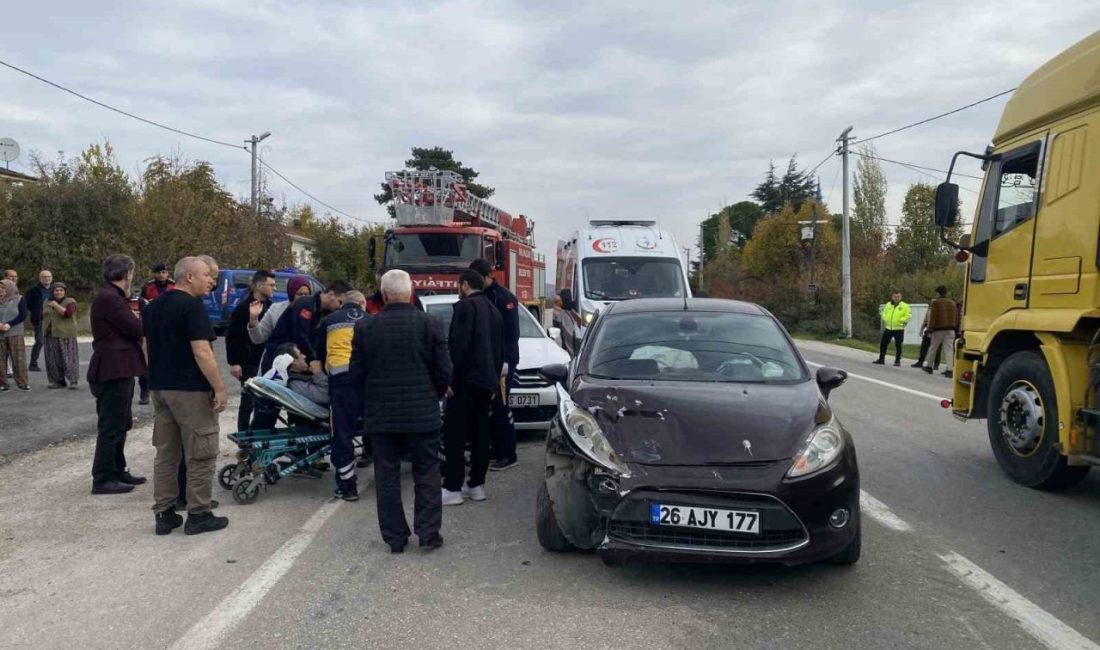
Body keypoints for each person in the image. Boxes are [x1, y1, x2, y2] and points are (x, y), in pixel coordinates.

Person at [349, 269, 451, 552]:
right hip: (423, 415)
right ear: (411, 293)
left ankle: (395, 538)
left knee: (387, 476)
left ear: (382, 295)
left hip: (381, 417)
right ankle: (428, 534)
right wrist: (435, 395)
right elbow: (444, 370)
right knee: (427, 473)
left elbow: (355, 374)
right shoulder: (430, 325)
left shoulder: (366, 327)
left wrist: (370, 402)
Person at [144, 256, 228, 536]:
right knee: (201, 453)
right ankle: (199, 514)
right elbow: (202, 351)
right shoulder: (192, 306)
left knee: (167, 454)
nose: (211, 281)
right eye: (206, 275)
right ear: (189, 276)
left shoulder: (154, 306)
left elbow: (147, 345)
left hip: (160, 388)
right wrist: (219, 387)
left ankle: (164, 513)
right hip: (190, 390)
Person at [442, 269, 503, 506]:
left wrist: (449, 380)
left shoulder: (465, 307)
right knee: (480, 434)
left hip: (465, 381)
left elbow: (458, 347)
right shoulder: (494, 310)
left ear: (465, 285)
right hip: (488, 382)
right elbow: (500, 351)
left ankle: (452, 488)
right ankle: (476, 485)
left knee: (455, 434)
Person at [87, 254, 147, 494]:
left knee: (122, 422)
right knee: (111, 425)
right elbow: (136, 328)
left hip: (121, 367)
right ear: (126, 274)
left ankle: (117, 469)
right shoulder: (109, 298)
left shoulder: (114, 297)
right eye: (131, 272)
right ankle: (102, 477)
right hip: (112, 368)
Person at [314, 289, 369, 500]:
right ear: (362, 303)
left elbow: (319, 355)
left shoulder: (329, 321)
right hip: (367, 382)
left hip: (341, 384)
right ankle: (384, 479)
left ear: (342, 303)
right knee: (377, 429)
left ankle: (348, 488)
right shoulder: (371, 319)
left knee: (342, 434)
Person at [469, 259, 520, 472]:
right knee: (486, 408)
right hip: (485, 362)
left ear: (487, 276)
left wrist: (507, 361)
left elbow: (512, 333)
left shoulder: (505, 298)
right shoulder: (480, 297)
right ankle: (493, 449)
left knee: (501, 407)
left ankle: (508, 453)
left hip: (502, 363)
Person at [263, 280, 351, 375]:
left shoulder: (322, 312)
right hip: (279, 360)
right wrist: (315, 359)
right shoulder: (306, 304)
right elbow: (301, 336)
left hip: (294, 362)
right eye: (340, 302)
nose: (341, 307)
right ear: (331, 294)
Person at [226, 270, 276, 430]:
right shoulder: (243, 308)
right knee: (248, 400)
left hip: (265, 359)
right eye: (271, 285)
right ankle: (243, 437)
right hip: (248, 360)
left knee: (264, 401)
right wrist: (234, 362)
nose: (274, 288)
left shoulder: (270, 306)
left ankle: (257, 433)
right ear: (259, 285)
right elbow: (233, 337)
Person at [247, 275, 312, 357]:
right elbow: (258, 339)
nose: (304, 298)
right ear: (291, 294)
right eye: (300, 294)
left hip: (303, 363)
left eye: (306, 294)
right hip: (274, 361)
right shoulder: (276, 309)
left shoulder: (315, 311)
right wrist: (253, 320)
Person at [43, 282, 80, 390]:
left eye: (61, 290)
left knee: (69, 359)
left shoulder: (70, 301)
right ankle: (58, 381)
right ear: (52, 291)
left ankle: (73, 381)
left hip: (66, 335)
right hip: (50, 335)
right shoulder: (47, 301)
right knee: (53, 360)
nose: (59, 292)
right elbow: (43, 314)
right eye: (56, 290)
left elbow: (68, 313)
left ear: (65, 292)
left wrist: (56, 305)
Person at [0, 279, 30, 392]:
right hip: (0, 333)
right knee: (0, 359)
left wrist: (9, 324)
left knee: (18, 359)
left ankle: (22, 383)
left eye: (3, 287)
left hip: (15, 333)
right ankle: (2, 383)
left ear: (9, 288)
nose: (0, 289)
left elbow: (22, 315)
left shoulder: (19, 299)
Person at [923, 286, 958, 379]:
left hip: (938, 329)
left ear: (938, 293)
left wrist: (929, 329)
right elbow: (956, 316)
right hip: (951, 329)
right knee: (949, 350)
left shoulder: (936, 303)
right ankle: (950, 370)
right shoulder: (952, 302)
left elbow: (933, 317)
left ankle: (929, 366)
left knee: (933, 348)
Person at [24, 269, 52, 372]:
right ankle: (33, 364)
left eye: (49, 276)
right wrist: (37, 311)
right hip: (39, 319)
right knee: (40, 341)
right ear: (40, 278)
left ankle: (53, 364)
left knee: (52, 342)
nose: (47, 278)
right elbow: (28, 304)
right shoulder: (33, 290)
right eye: (44, 277)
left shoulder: (54, 289)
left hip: (53, 320)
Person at [873, 290, 910, 367]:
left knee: (898, 345)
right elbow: (883, 313)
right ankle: (881, 359)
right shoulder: (888, 305)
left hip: (899, 328)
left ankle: (897, 360)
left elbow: (908, 316)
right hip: (889, 328)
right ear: (892, 297)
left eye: (898, 296)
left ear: (901, 297)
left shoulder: (905, 306)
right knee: (883, 343)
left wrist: (901, 320)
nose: (896, 298)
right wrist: (885, 318)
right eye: (895, 296)